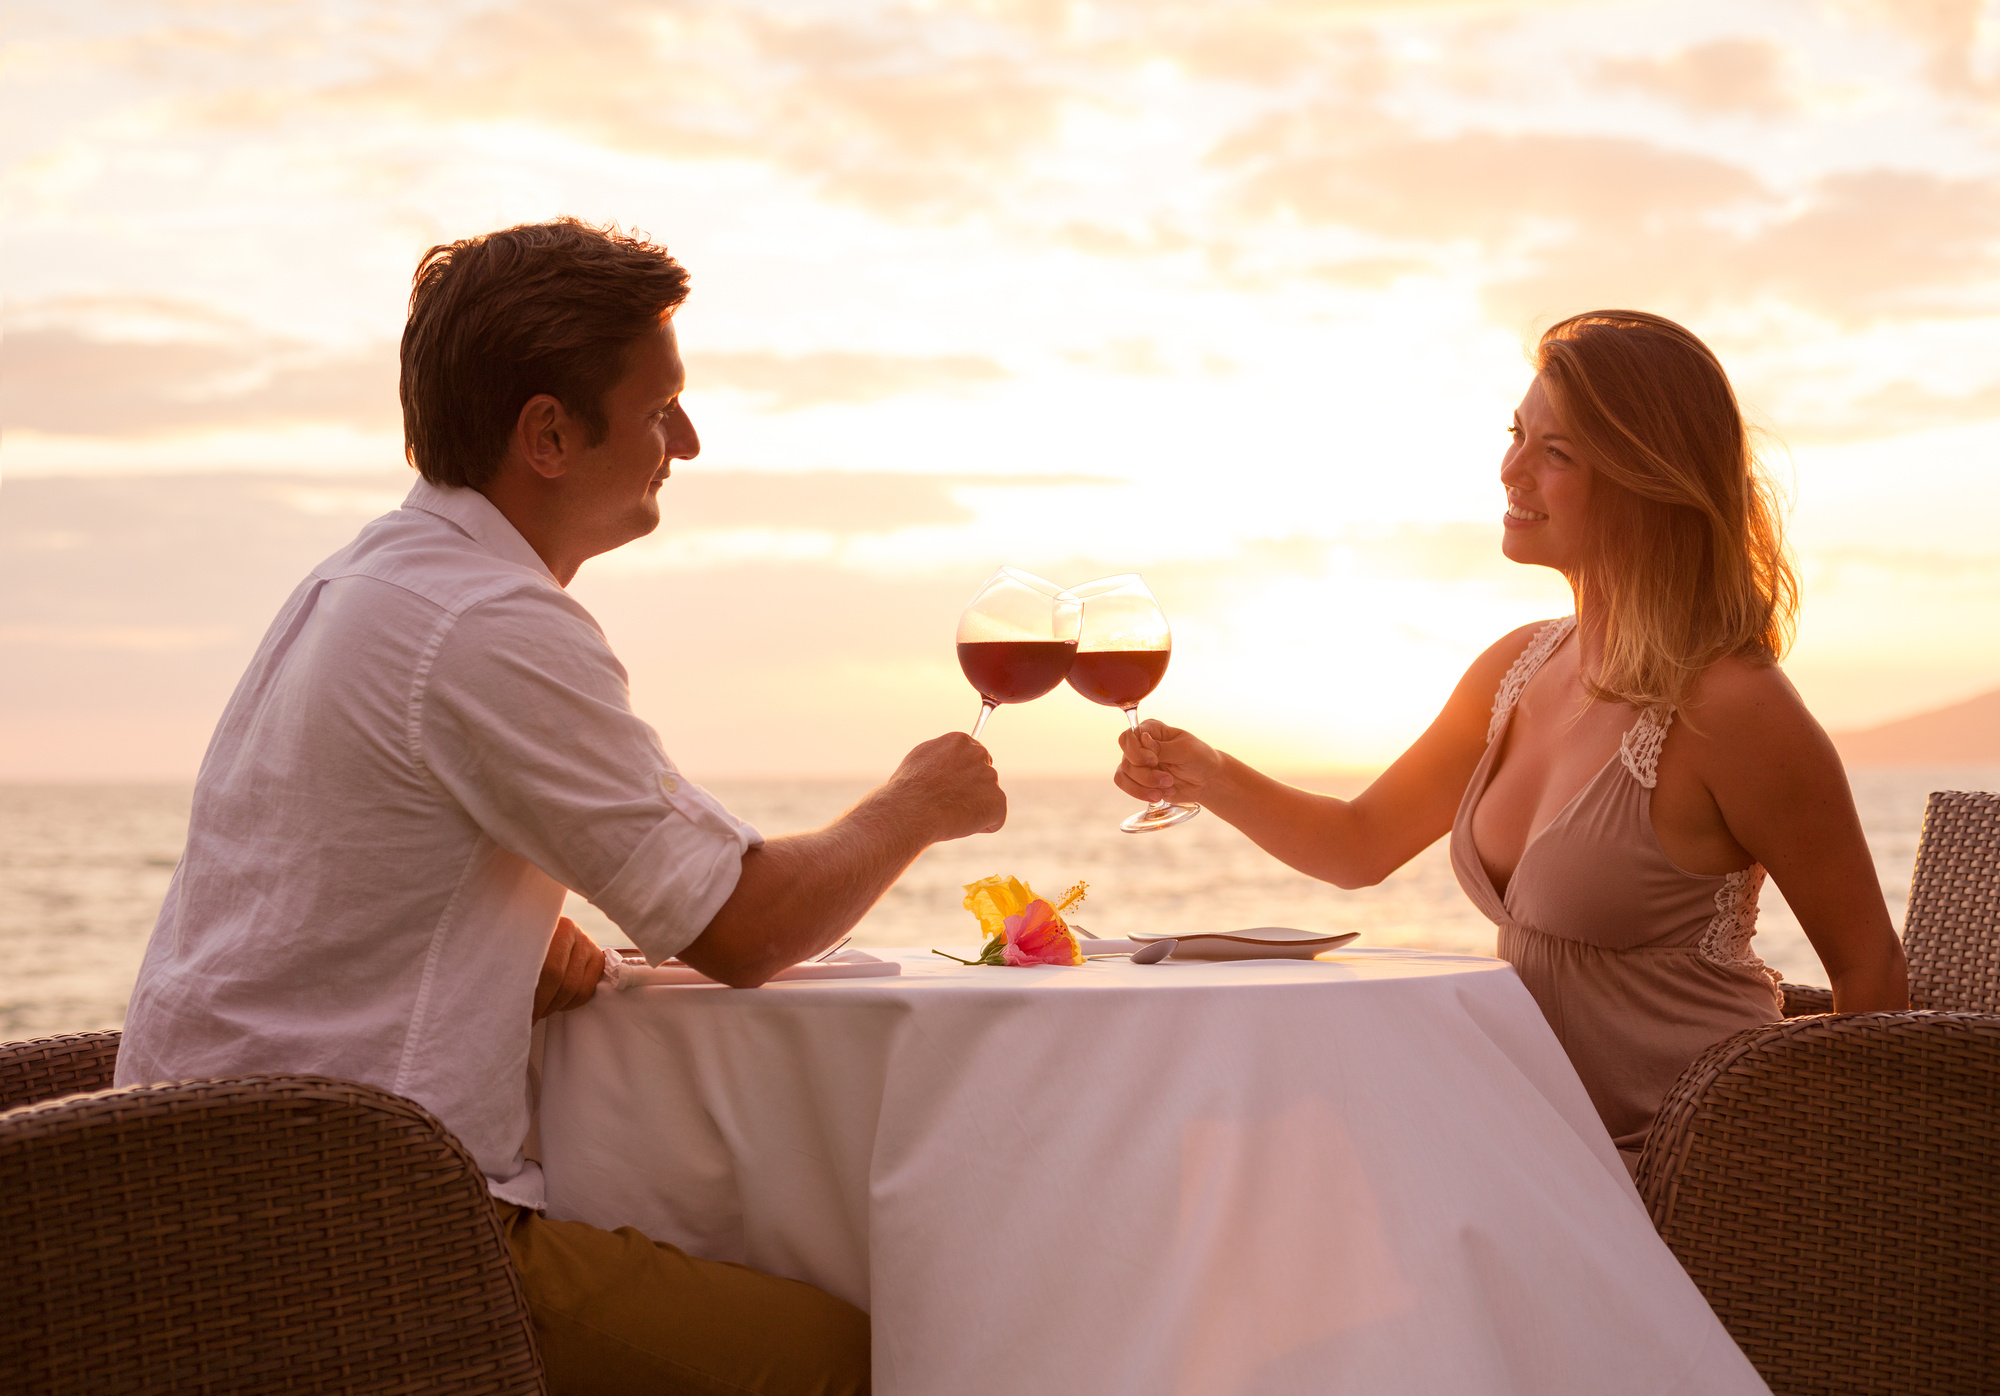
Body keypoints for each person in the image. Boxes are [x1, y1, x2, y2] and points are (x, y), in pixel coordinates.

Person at [116, 218, 1007, 1394]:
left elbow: (317, 872)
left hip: (174, 1201)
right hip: (354, 1230)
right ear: (546, 433)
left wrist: (499, 940)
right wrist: (915, 800)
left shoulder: (360, 584)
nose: (685, 441)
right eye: (659, 409)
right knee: (853, 1359)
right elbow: (742, 927)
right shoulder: (487, 620)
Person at [1114, 309, 1909, 1172]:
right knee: (1248, 1142)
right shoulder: (1516, 669)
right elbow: (1359, 845)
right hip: (1535, 1147)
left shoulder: (1735, 709)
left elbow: (1870, 974)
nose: (1511, 469)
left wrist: (1830, 1197)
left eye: (1556, 452)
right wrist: (1209, 776)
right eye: (1516, 434)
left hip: (1684, 1172)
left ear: (1648, 480)